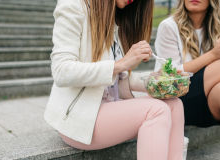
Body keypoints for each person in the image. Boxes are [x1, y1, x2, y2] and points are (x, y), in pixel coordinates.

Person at [44, 0, 185, 159]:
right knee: (156, 110)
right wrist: (120, 64)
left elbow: (117, 79)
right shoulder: (74, 6)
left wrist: (157, 80)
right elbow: (61, 71)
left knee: (174, 104)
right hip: (80, 117)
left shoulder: (113, 18)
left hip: (109, 108)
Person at [154, 0, 220, 159]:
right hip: (176, 100)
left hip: (206, 102)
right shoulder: (168, 26)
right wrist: (215, 55)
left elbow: (218, 69)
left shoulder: (218, 28)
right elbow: (169, 76)